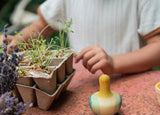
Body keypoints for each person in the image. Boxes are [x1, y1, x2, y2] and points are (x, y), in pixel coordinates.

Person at [1, 0, 160, 75]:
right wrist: (18, 41)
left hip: (131, 83)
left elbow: (157, 48)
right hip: (81, 85)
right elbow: (41, 26)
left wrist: (114, 63)